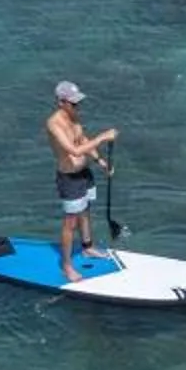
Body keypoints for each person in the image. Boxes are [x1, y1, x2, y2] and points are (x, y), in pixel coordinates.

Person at [45, 81, 118, 282]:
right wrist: (103, 137)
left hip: (84, 173)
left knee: (85, 210)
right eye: (73, 103)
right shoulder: (54, 124)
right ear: (61, 102)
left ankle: (87, 248)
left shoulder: (73, 115)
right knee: (70, 223)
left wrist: (99, 160)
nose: (77, 107)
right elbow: (73, 150)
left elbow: (83, 140)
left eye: (78, 103)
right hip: (69, 178)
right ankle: (67, 266)